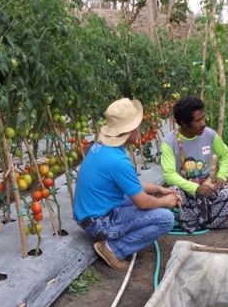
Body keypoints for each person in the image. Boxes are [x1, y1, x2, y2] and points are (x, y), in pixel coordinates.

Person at [74, 98, 180, 271]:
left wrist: (160, 189)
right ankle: (113, 249)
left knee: (151, 198)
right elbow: (143, 202)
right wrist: (166, 202)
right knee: (165, 219)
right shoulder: (118, 160)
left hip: (90, 214)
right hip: (99, 223)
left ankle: (115, 241)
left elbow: (132, 184)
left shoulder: (103, 148)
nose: (139, 128)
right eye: (137, 125)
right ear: (130, 130)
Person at [161, 96, 228, 233]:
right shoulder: (169, 142)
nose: (203, 123)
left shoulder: (209, 134)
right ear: (184, 123)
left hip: (208, 185)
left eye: (203, 118)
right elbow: (169, 174)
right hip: (185, 187)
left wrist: (222, 176)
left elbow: (226, 155)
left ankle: (201, 221)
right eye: (198, 120)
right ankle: (208, 219)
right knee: (175, 194)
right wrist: (195, 188)